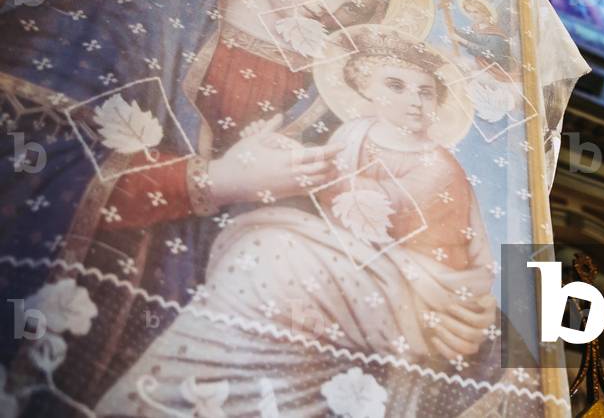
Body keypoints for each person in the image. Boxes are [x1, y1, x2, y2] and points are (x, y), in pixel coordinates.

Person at [94, 27, 498, 416]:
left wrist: (312, 177)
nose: (415, 100)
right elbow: (324, 182)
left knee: (273, 253)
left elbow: (374, 212)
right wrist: (284, 154)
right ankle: (191, 395)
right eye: (397, 85)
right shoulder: (356, 132)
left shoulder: (438, 162)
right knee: (265, 247)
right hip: (368, 258)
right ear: (365, 89)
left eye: (426, 92)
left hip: (423, 284)